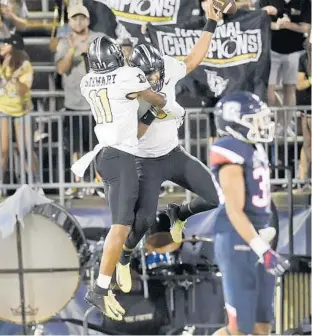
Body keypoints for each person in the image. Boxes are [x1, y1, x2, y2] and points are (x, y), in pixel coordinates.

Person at [71, 35, 184, 320]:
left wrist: (147, 116)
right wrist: (163, 103)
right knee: (120, 227)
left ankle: (117, 267)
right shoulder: (128, 75)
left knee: (130, 221)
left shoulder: (87, 81)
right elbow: (156, 98)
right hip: (121, 158)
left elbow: (127, 120)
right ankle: (100, 287)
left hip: (106, 157)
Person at [116, 0, 221, 293]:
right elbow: (131, 137)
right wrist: (151, 114)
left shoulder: (165, 69)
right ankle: (123, 259)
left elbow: (193, 59)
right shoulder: (124, 91)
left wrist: (211, 24)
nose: (156, 79)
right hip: (144, 161)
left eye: (157, 73)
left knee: (213, 196)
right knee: (145, 219)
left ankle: (180, 213)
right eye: (149, 77)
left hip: (173, 153)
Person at [208, 91, 290, 335]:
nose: (262, 125)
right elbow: (235, 210)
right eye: (254, 119)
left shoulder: (252, 147)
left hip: (258, 238)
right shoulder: (228, 148)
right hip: (238, 238)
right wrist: (262, 249)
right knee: (240, 329)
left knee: (262, 325)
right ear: (235, 122)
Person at [55, 4, 103, 199]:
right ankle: (76, 184)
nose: (78, 21)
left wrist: (89, 50)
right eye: (74, 18)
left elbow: (108, 65)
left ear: (88, 20)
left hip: (96, 105)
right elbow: (61, 68)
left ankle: (98, 183)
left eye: (82, 18)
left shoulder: (98, 39)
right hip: (73, 104)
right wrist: (73, 49)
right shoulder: (64, 42)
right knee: (74, 146)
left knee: (97, 146)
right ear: (69, 21)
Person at [0, 34, 40, 194]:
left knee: (25, 149)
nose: (2, 46)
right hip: (3, 109)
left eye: (6, 44)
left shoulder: (25, 65)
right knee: (3, 149)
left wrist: (13, 78)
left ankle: (36, 185)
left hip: (22, 110)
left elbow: (23, 91)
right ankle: (1, 184)